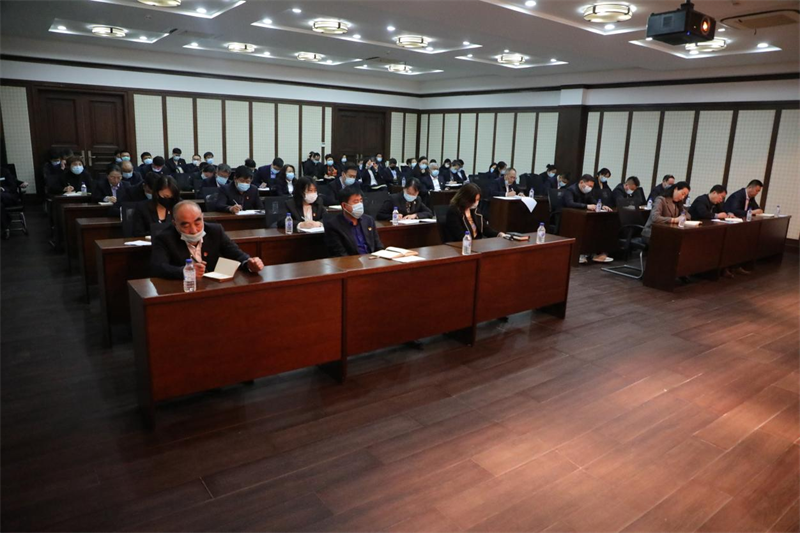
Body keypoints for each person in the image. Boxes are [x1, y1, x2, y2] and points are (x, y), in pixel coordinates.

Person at [150, 200, 264, 279]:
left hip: (212, 287)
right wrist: (186, 271)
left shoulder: (215, 231)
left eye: (197, 222)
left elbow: (237, 254)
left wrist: (249, 263)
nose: (194, 230)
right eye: (186, 225)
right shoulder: (164, 238)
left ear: (203, 217)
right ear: (175, 224)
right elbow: (159, 268)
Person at [564, 175, 613, 264]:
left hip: (581, 216)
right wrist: (587, 206)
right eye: (589, 186)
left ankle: (591, 252)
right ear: (581, 182)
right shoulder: (570, 190)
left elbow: (593, 201)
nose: (590, 188)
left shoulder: (587, 192)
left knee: (595, 227)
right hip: (568, 217)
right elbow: (570, 203)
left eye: (591, 186)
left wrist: (602, 206)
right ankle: (579, 254)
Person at [323, 186, 385, 257]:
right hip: (351, 262)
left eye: (361, 201)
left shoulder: (368, 220)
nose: (360, 204)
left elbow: (378, 245)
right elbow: (340, 254)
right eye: (356, 201)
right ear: (344, 205)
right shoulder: (333, 225)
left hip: (371, 259)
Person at [0, 167, 24, 238]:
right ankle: (5, 226)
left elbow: (13, 186)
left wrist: (2, 189)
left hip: (9, 196)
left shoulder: (4, 171)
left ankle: (6, 224)